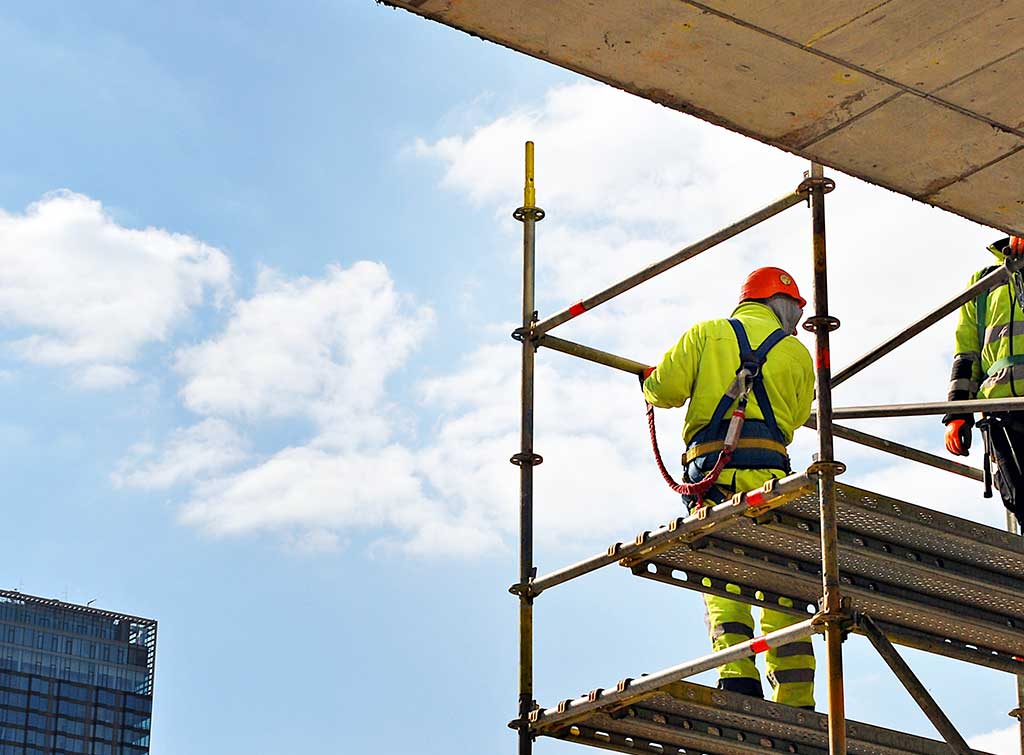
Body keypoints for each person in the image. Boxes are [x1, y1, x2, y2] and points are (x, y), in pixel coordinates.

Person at [641, 266, 816, 709]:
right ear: (782, 304)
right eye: (796, 308)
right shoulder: (796, 354)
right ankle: (796, 699)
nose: (798, 317)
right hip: (773, 478)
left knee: (724, 577)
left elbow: (663, 390)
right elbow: (795, 417)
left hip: (712, 479)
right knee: (783, 584)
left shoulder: (707, 334)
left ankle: (737, 678)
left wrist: (648, 379)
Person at [943, 235, 1024, 529]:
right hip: (1000, 410)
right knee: (1017, 496)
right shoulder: (984, 281)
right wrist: (958, 414)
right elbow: (967, 354)